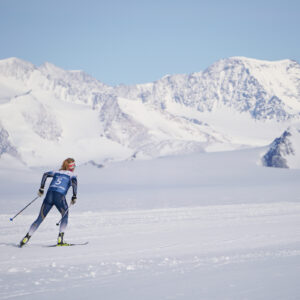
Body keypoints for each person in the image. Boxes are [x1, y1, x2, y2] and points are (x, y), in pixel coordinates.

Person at [19, 158, 78, 247]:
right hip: (59, 196)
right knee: (65, 215)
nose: (74, 167)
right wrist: (74, 196)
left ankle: (26, 237)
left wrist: (41, 188)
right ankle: (60, 240)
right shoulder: (72, 175)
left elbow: (45, 174)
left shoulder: (57, 172)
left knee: (40, 218)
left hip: (49, 195)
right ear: (71, 167)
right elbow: (74, 184)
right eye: (74, 165)